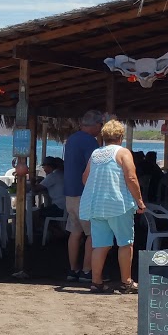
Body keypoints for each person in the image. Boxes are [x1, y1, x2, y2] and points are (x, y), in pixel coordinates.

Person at [78, 119, 147, 293]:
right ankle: (126, 282)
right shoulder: (123, 153)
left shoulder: (96, 154)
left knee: (100, 245)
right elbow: (131, 178)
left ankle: (96, 282)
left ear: (104, 136)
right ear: (120, 136)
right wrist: (139, 201)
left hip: (96, 205)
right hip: (117, 204)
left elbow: (85, 178)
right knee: (125, 243)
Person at [62, 110, 104, 282]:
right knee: (92, 233)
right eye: (100, 125)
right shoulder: (89, 142)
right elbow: (94, 166)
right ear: (95, 125)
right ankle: (87, 271)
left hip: (69, 194)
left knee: (74, 232)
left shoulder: (71, 140)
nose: (101, 129)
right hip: (84, 194)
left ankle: (73, 270)